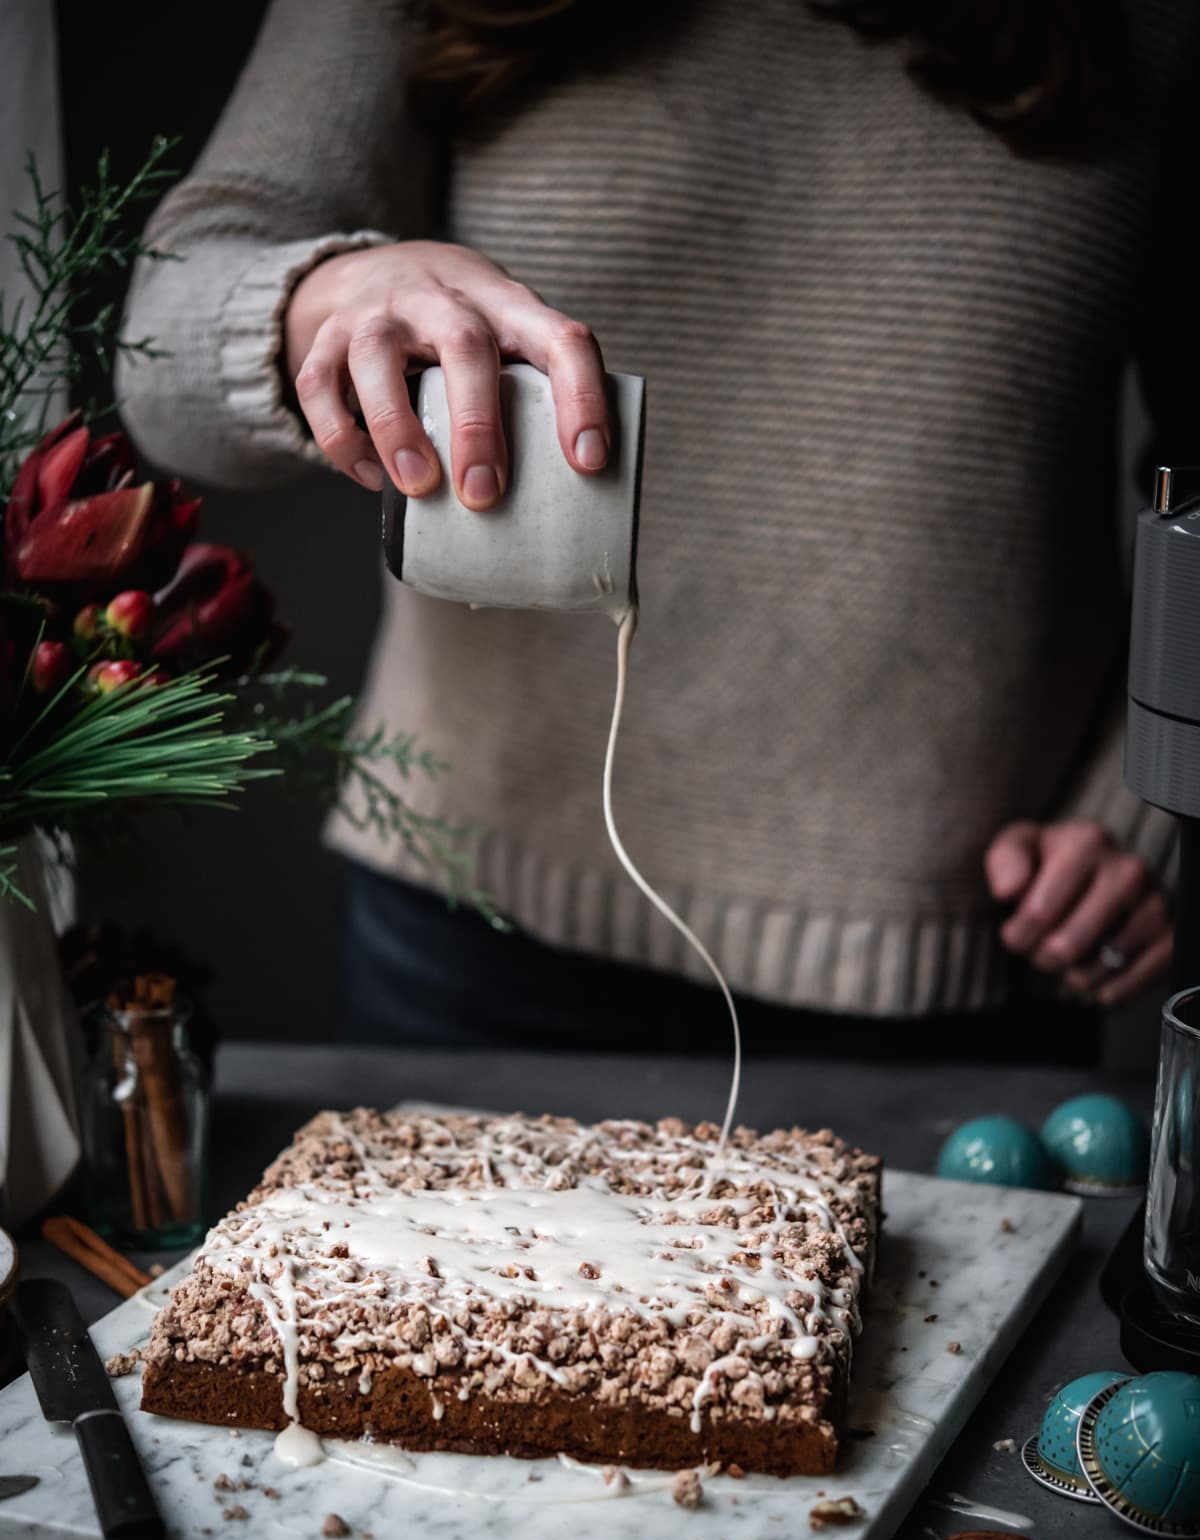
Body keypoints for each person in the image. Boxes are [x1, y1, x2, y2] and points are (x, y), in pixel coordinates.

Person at [116, 0, 1188, 1060]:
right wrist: (328, 296)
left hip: (966, 944)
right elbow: (157, 365)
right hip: (469, 931)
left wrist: (1146, 801)